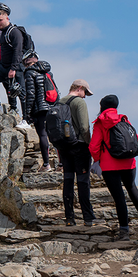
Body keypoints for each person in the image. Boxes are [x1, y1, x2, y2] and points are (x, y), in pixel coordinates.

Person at [89, 94, 138, 240]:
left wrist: (97, 160)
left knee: (119, 197)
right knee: (131, 186)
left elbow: (94, 146)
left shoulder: (100, 123)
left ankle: (124, 232)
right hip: (129, 162)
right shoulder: (124, 119)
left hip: (109, 165)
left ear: (102, 106)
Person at [59, 79, 95, 226]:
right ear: (79, 88)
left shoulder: (59, 102)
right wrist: (89, 146)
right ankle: (87, 218)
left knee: (68, 181)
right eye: (85, 92)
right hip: (80, 146)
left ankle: (69, 217)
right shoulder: (79, 102)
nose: (85, 96)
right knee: (82, 182)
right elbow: (84, 127)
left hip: (63, 147)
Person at [21, 51, 55, 172]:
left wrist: (27, 113)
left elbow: (30, 94)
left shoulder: (29, 73)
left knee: (43, 135)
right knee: (54, 135)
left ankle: (46, 165)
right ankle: (60, 164)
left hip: (39, 108)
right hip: (52, 107)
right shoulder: (47, 71)